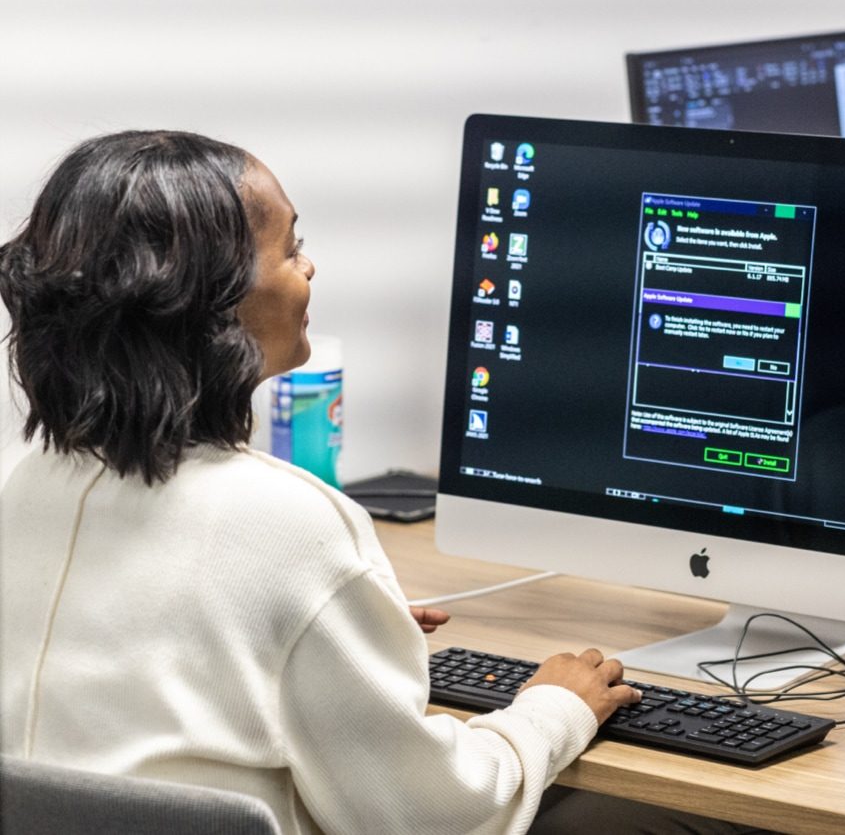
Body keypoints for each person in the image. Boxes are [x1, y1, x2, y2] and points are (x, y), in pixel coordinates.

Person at [0, 131, 772, 835]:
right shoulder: (289, 526)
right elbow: (435, 816)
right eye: (290, 247)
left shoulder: (20, 483)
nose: (308, 267)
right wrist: (553, 708)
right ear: (213, 305)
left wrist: (328, 621)